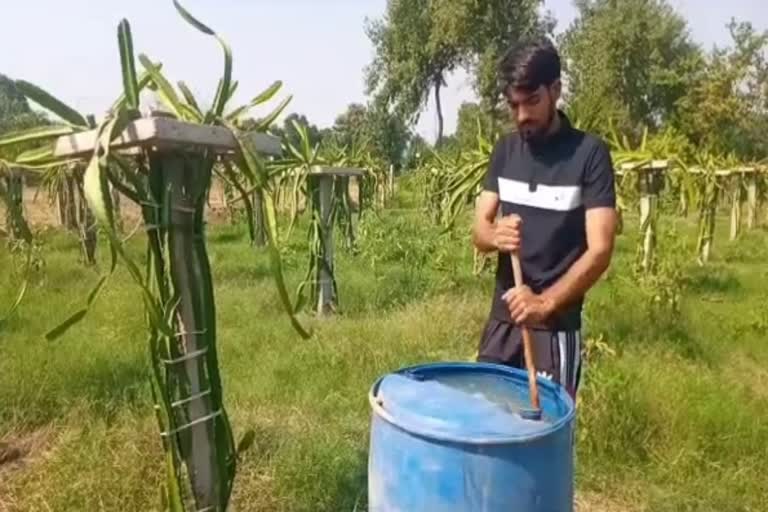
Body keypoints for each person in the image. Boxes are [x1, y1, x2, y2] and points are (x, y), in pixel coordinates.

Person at [472, 36, 617, 400]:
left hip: (554, 329)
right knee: (489, 423)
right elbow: (479, 229)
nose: (522, 116)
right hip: (502, 326)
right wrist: (495, 237)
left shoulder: (589, 155)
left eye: (532, 101)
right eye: (513, 105)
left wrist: (545, 303)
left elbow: (600, 250)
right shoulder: (506, 150)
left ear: (556, 90)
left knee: (546, 432)